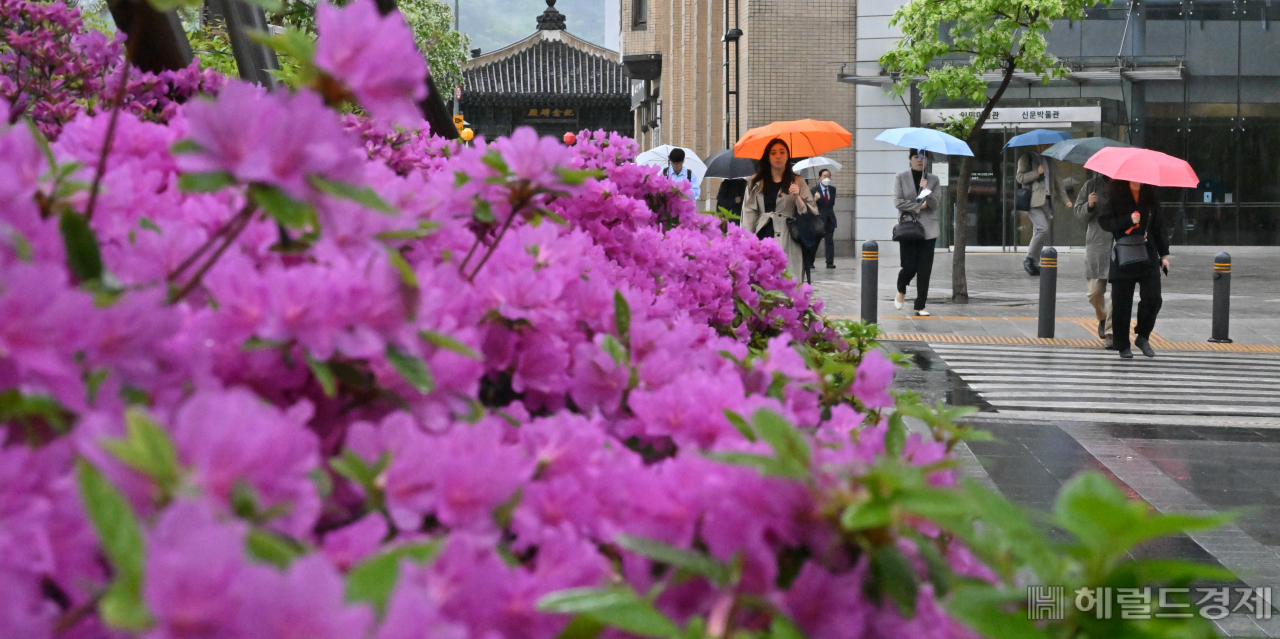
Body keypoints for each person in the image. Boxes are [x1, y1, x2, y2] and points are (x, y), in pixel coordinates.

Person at [1098, 179, 1170, 360]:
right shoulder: (1116, 196)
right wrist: (1127, 220)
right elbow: (1105, 221)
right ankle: (1122, 345)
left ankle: (1143, 335)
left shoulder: (1151, 196)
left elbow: (1159, 225)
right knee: (1122, 302)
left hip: (1147, 252)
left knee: (1153, 297)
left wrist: (1164, 255)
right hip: (1124, 253)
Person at [741, 138, 817, 279]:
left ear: (788, 156)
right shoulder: (756, 182)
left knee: (788, 280)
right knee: (763, 282)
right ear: (768, 157)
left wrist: (797, 197)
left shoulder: (798, 181)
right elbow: (748, 212)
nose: (778, 156)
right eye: (773, 153)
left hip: (789, 238)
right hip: (762, 235)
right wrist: (747, 241)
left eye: (782, 152)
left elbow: (811, 212)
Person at [892, 149, 941, 317]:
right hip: (908, 228)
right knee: (909, 265)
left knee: (924, 268)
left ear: (927, 160)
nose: (920, 160)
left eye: (923, 157)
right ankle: (901, 287)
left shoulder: (933, 179)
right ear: (910, 159)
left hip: (928, 229)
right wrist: (920, 206)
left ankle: (920, 305)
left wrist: (927, 190)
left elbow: (936, 205)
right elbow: (898, 202)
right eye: (916, 157)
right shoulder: (901, 176)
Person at [1016, 144, 1072, 275]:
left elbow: (1058, 181)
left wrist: (1066, 200)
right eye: (1045, 145)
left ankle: (1034, 263)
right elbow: (1020, 177)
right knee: (1042, 228)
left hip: (1047, 201)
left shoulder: (1050, 160)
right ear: (1039, 145)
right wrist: (1037, 173)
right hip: (1032, 201)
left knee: (1040, 232)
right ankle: (1029, 259)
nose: (1048, 147)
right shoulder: (1026, 158)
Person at [1073, 172, 1114, 349]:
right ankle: (1102, 317)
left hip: (1117, 243)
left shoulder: (1124, 186)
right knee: (1094, 292)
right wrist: (1089, 205)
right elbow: (1078, 211)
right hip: (1096, 244)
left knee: (1117, 293)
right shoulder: (1091, 186)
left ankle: (1111, 331)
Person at [811, 169, 838, 268]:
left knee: (829, 241)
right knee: (815, 241)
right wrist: (815, 199)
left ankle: (829, 262)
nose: (826, 178)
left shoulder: (832, 189)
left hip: (830, 219)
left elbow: (831, 204)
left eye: (828, 176)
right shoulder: (814, 190)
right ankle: (810, 261)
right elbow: (810, 205)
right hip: (818, 220)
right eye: (824, 176)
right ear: (819, 177)